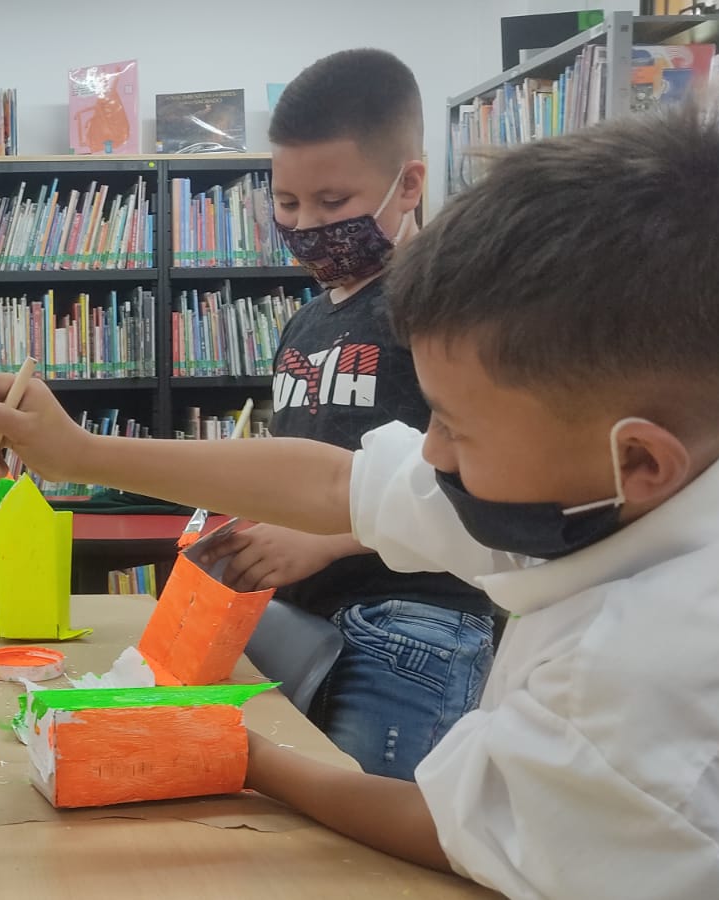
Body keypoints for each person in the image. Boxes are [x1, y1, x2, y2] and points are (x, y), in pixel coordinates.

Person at [0, 100, 719, 898]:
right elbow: (335, 481)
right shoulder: (599, 472)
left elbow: (474, 835)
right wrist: (81, 453)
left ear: (641, 460)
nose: (428, 451)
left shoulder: (647, 688)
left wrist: (246, 757)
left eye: (456, 428)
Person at [217, 48, 492, 779]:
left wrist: (327, 541)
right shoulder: (303, 326)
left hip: (414, 624)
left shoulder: (442, 309)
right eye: (286, 203)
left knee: (373, 862)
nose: (307, 225)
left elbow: (474, 486)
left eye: (334, 203)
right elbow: (292, 471)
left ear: (409, 184)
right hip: (305, 625)